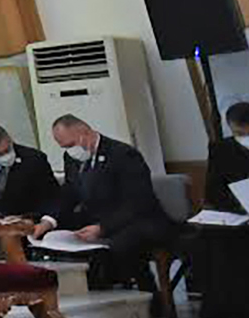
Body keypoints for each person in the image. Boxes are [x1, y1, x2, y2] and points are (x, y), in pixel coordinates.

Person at [37, 114, 178, 289]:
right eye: (64, 147)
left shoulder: (123, 154)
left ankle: (147, 293)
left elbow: (138, 202)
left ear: (85, 133)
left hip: (137, 220)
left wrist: (103, 228)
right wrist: (48, 221)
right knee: (55, 231)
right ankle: (86, 287)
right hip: (97, 216)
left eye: (70, 145)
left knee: (123, 243)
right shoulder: (72, 158)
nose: (70, 151)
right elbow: (69, 193)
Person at [204, 101, 249, 214]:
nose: (248, 138)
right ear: (230, 128)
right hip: (238, 213)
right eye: (240, 134)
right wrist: (242, 208)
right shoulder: (220, 149)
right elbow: (213, 192)